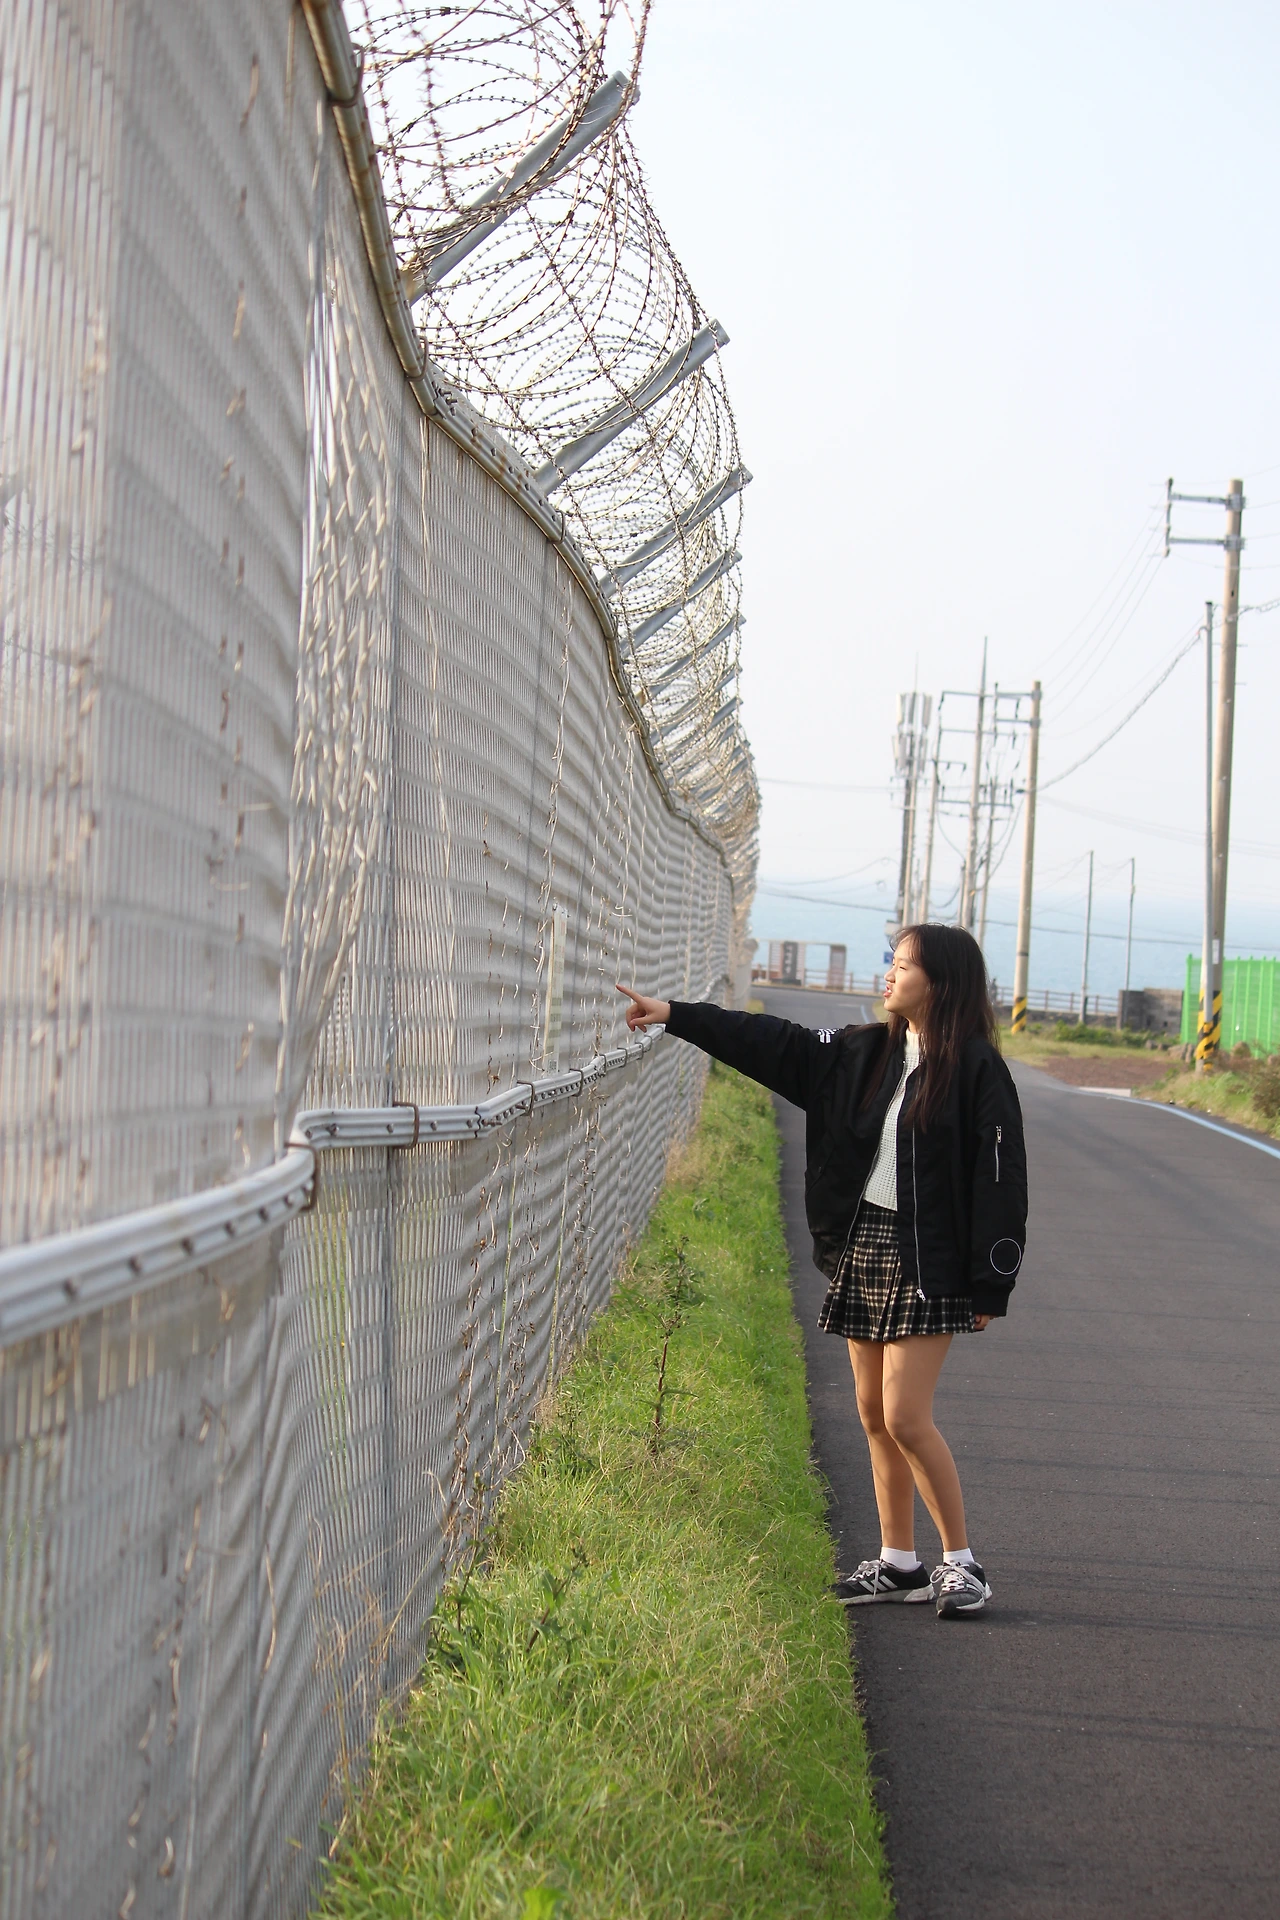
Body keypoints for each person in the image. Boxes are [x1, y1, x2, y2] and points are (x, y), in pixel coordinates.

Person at [617, 922, 1027, 1620]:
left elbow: (1001, 1179)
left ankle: (963, 1564)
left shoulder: (978, 1071)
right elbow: (774, 1043)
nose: (889, 975)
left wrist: (992, 1279)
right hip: (864, 1244)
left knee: (906, 1416)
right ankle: (899, 1563)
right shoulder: (865, 1053)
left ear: (942, 983)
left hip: (930, 1259)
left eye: (904, 966)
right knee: (873, 1414)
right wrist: (676, 1016)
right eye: (892, 962)